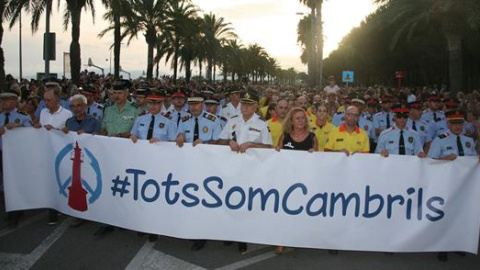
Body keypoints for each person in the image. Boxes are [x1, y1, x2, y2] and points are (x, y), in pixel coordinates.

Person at [218, 89, 272, 253]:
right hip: (231, 169)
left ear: (256, 106)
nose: (244, 107)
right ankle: (230, 234)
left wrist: (251, 144)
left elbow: (269, 147)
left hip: (251, 170)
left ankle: (243, 236)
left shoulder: (262, 124)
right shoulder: (232, 120)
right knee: (230, 201)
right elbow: (220, 140)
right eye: (243, 104)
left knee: (246, 204)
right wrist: (229, 142)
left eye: (249, 105)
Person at [428, 110, 477, 262]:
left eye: (460, 123)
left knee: (460, 214)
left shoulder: (468, 140)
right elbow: (431, 160)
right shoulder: (440, 140)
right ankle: (442, 246)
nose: (457, 126)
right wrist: (444, 158)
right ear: (448, 124)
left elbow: (472, 159)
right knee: (445, 215)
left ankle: (457, 243)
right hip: (447, 183)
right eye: (454, 123)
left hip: (465, 184)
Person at [175, 93, 222, 251]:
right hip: (189, 166)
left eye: (197, 104)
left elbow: (218, 141)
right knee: (191, 198)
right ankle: (191, 228)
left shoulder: (213, 120)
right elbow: (180, 134)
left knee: (204, 199)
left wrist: (205, 142)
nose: (193, 107)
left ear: (202, 104)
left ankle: (202, 234)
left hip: (207, 166)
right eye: (191, 104)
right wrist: (180, 135)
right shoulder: (184, 120)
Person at [0, 90, 32, 228]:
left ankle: (14, 213)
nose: (3, 103)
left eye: (6, 100)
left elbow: (31, 134)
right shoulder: (1, 116)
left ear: (14, 101)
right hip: (1, 152)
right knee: (5, 184)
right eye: (2, 100)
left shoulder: (23, 117)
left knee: (13, 183)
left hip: (15, 155)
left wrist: (18, 126)